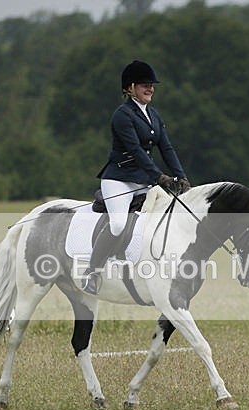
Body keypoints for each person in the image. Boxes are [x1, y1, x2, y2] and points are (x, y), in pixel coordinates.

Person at [82, 60, 190, 295]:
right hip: (118, 179)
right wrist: (160, 177)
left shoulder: (153, 114)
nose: (150, 88)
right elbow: (136, 151)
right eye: (144, 85)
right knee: (119, 223)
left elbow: (167, 148)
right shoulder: (122, 115)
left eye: (151, 85)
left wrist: (181, 177)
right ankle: (91, 271)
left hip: (144, 180)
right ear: (129, 88)